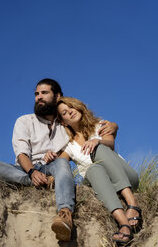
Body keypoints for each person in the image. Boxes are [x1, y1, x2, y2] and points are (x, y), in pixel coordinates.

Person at [0, 78, 118, 242]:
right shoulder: (24, 121)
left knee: (61, 163)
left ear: (57, 96)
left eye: (44, 93)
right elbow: (21, 153)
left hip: (53, 167)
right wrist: (31, 172)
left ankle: (65, 214)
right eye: (36, 94)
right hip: (25, 170)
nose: (39, 97)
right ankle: (45, 182)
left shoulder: (66, 125)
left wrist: (113, 126)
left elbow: (91, 125)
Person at [46, 96, 142, 245]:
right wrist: (50, 158)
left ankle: (132, 203)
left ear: (79, 107)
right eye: (64, 113)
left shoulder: (100, 125)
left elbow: (110, 143)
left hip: (125, 177)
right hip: (101, 184)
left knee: (99, 149)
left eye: (71, 107)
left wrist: (97, 140)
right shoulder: (69, 146)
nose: (70, 112)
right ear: (64, 122)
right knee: (93, 169)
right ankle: (124, 224)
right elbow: (60, 164)